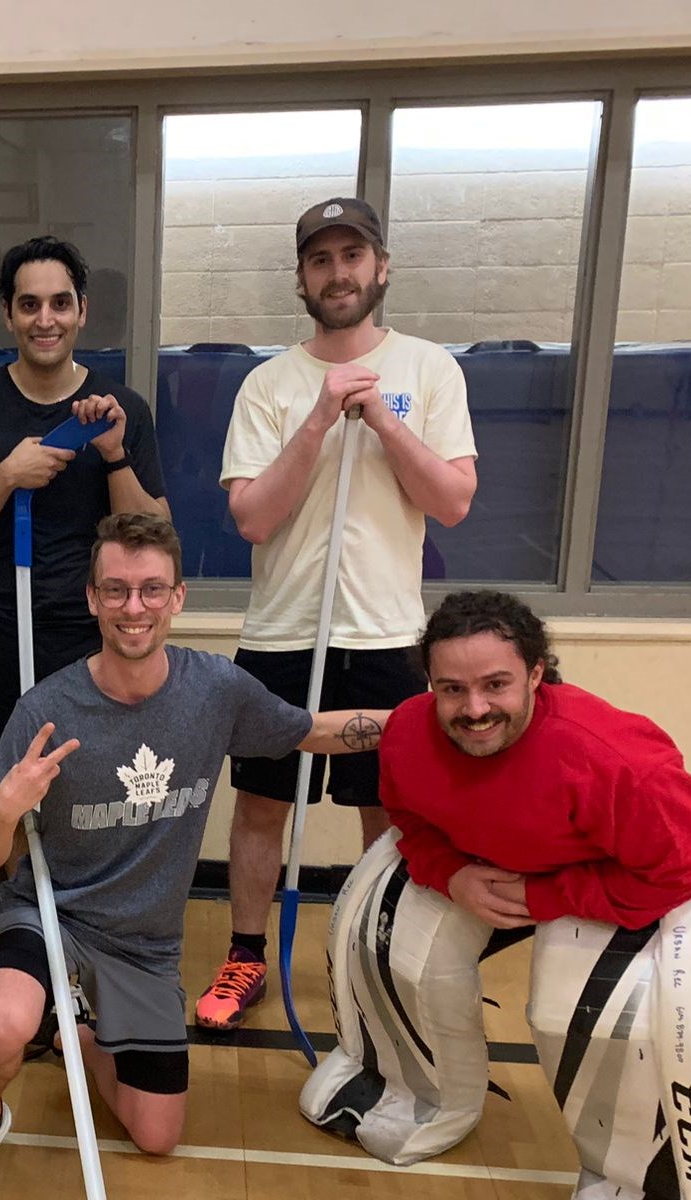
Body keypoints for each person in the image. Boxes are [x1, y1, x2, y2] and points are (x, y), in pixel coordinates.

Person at [0, 513, 387, 1200]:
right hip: (54, 916)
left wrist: (424, 720)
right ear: (91, 599)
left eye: (149, 590)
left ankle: (76, 1032)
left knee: (157, 1134)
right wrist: (1, 809)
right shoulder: (46, 710)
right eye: (115, 590)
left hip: (144, 943)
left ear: (177, 599)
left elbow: (312, 732)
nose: (132, 607)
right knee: (0, 1027)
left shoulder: (217, 692)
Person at [299, 591, 691, 1200]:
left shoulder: (613, 758)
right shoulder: (411, 732)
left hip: (613, 877)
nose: (473, 709)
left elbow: (689, 866)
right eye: (452, 689)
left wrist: (546, 900)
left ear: (537, 673)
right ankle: (419, 1096)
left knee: (579, 1017)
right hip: (489, 865)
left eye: (495, 684)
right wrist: (452, 876)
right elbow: (408, 822)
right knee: (399, 950)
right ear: (429, 686)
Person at [195, 196, 479, 1030]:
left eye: (352, 255)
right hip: (282, 632)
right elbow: (252, 517)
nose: (338, 272)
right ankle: (247, 955)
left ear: (380, 267)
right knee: (260, 805)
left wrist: (381, 423)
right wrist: (320, 416)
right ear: (302, 279)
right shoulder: (269, 385)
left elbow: (453, 501)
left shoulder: (429, 371)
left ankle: (370, 952)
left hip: (388, 634)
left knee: (386, 809)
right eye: (321, 260)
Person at [0, 235, 170, 788]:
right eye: (29, 304)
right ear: (8, 314)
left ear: (82, 310)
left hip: (96, 636)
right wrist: (7, 477)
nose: (45, 319)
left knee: (100, 789)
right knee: (11, 792)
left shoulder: (122, 409)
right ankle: (18, 881)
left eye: (60, 303)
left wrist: (113, 455)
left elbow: (155, 537)